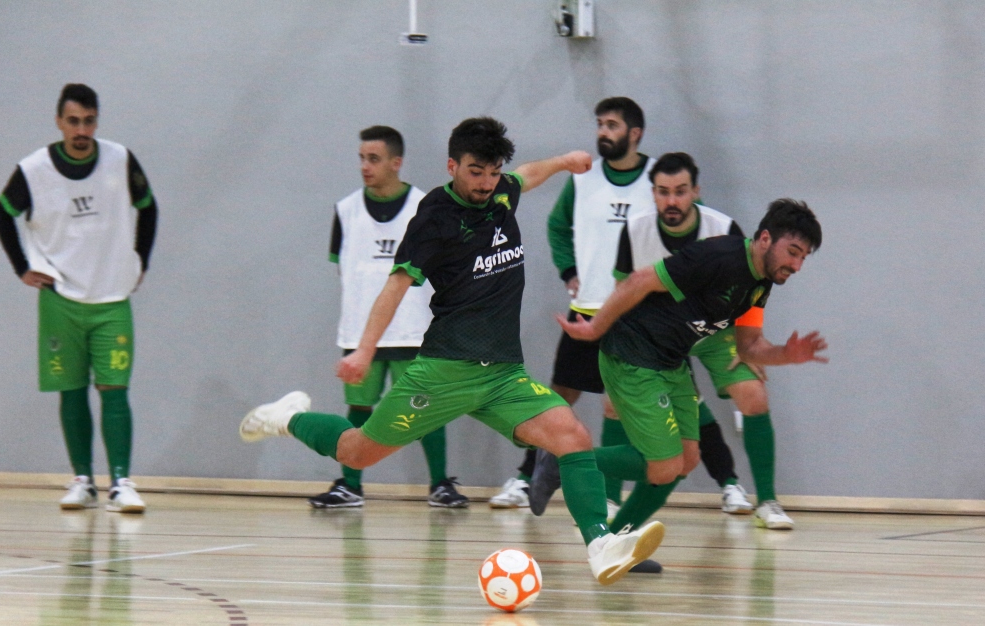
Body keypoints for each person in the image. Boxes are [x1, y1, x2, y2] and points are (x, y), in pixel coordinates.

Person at [241, 117, 665, 586]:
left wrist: (565, 162)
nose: (485, 183)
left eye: (491, 173)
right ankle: (285, 417)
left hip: (503, 374)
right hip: (446, 369)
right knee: (357, 452)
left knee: (573, 436)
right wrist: (364, 350)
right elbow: (397, 284)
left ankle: (600, 545)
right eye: (474, 172)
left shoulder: (502, 190)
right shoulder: (434, 216)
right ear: (452, 165)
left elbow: (528, 173)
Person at [532, 197, 826, 541]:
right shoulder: (718, 256)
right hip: (633, 354)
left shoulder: (760, 283)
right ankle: (564, 460)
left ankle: (618, 541)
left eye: (803, 257)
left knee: (685, 461)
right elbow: (640, 280)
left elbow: (748, 347)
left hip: (670, 362)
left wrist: (786, 355)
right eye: (793, 252)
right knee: (664, 466)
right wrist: (596, 328)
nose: (797, 265)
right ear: (765, 238)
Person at [0, 84, 157, 513]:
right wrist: (22, 267)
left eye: (88, 121)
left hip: (111, 298)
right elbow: (1, 213)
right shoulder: (34, 170)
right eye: (73, 121)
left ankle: (121, 481)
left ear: (97, 121)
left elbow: (149, 206)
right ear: (59, 122)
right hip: (61, 297)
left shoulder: (120, 160)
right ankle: (83, 479)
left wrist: (141, 261)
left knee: (114, 388)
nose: (81, 130)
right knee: (71, 389)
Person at [490, 97, 654, 514]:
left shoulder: (659, 180)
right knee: (555, 398)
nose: (603, 132)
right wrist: (568, 270)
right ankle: (527, 476)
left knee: (616, 402)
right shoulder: (583, 179)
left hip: (636, 313)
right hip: (587, 308)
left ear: (634, 134)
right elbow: (557, 227)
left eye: (612, 125)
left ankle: (612, 497)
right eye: (600, 123)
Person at [315, 125, 468, 509]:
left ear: (396, 163)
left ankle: (440, 485)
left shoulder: (426, 207)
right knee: (359, 411)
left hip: (413, 332)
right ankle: (350, 485)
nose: (365, 166)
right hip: (359, 334)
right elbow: (342, 269)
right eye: (362, 158)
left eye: (374, 159)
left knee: (424, 409)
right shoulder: (346, 210)